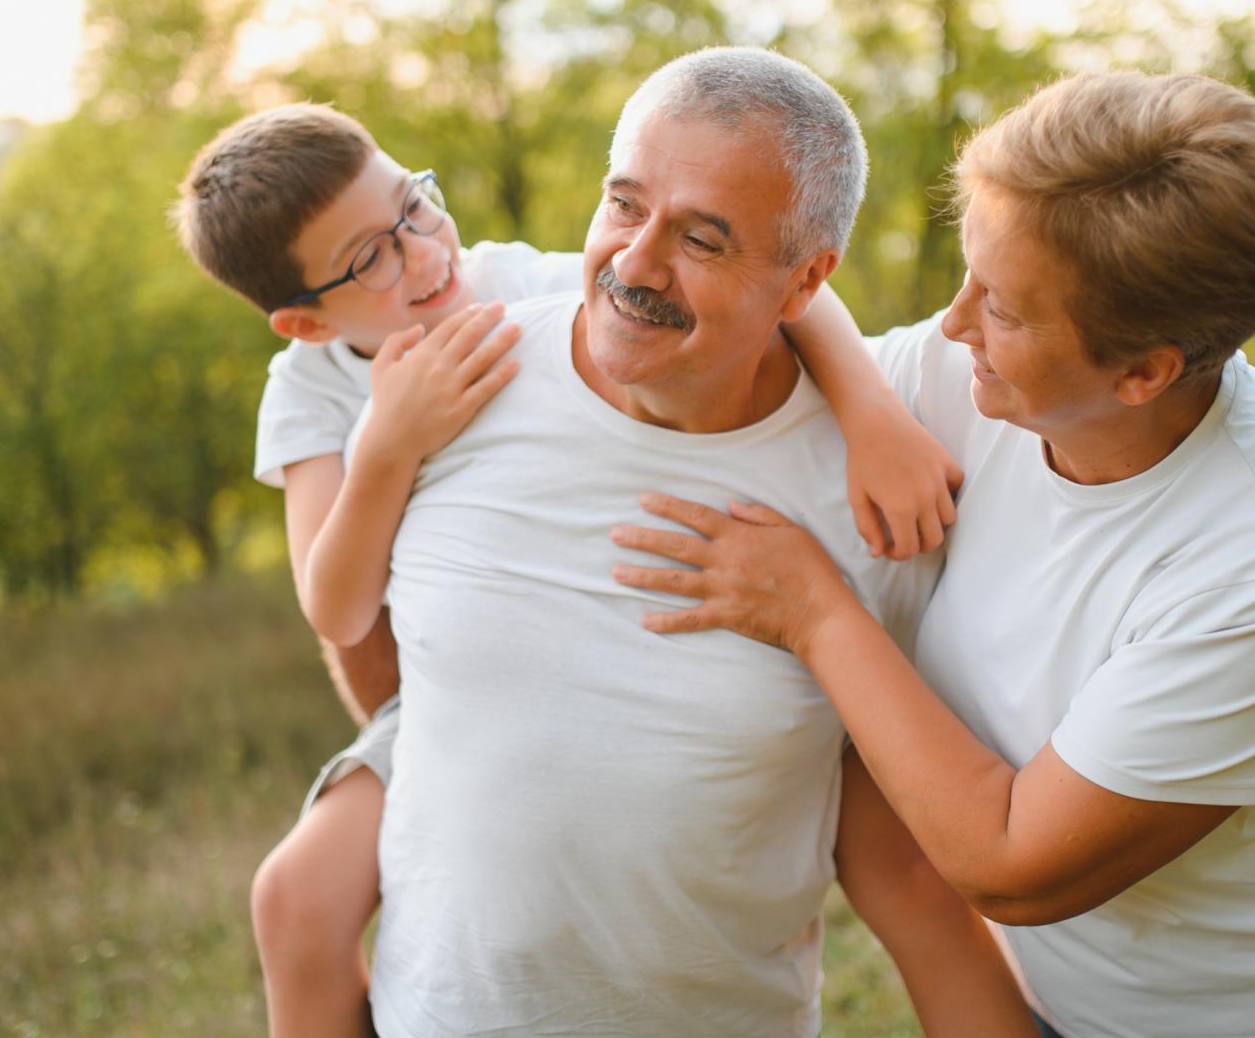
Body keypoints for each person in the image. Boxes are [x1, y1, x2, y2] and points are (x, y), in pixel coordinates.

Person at [174, 93, 1008, 1034]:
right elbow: (335, 606)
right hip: (436, 696)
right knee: (293, 898)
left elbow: (773, 283)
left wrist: (872, 414)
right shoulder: (316, 388)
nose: (423, 253)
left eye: (414, 203)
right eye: (370, 258)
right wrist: (387, 445)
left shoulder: (522, 283)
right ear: (308, 324)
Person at [614, 72, 1255, 1038]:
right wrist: (867, 405)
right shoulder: (983, 381)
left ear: (1143, 371)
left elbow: (1013, 866)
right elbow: (777, 299)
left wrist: (814, 614)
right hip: (1037, 997)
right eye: (970, 273)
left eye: (1005, 310)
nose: (953, 324)